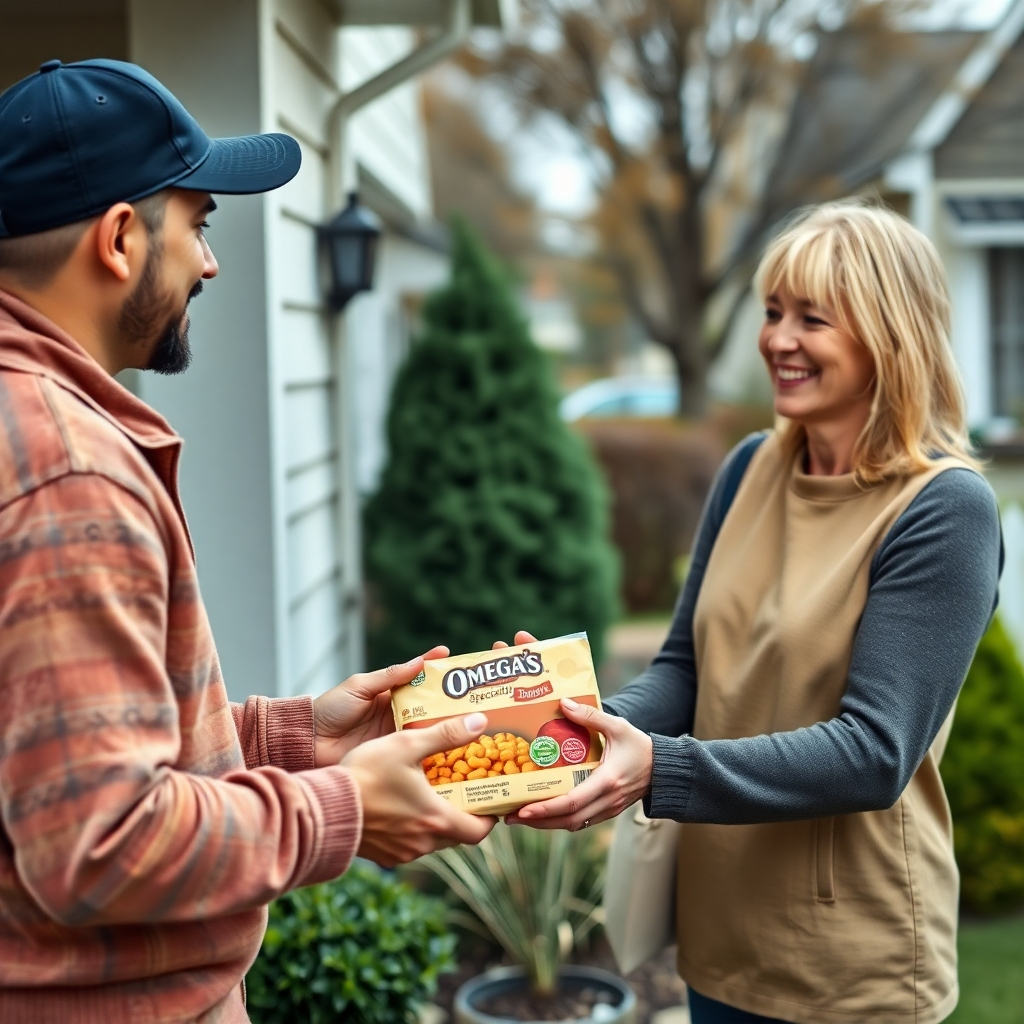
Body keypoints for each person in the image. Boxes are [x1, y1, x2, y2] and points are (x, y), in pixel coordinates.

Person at [0, 59, 493, 1023]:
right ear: (118, 237)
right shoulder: (67, 471)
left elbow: (48, 756)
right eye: (200, 225)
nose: (211, 263)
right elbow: (99, 842)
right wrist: (345, 808)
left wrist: (297, 735)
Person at [510, 201, 1003, 1023]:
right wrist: (586, 727)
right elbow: (685, 668)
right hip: (720, 935)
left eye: (812, 318)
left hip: (849, 965)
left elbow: (875, 752)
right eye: (774, 312)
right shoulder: (750, 468)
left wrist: (658, 769)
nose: (778, 339)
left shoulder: (943, 510)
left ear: (889, 334)